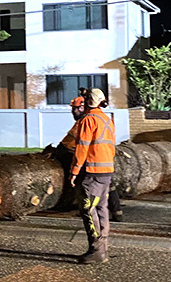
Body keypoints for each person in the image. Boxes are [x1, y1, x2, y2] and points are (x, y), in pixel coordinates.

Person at [51, 96, 124, 222]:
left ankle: (88, 212)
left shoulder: (85, 121)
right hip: (105, 160)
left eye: (74, 109)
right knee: (108, 187)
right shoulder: (105, 119)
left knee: (86, 187)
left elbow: (74, 144)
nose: (73, 112)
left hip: (92, 160)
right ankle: (117, 212)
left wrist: (59, 154)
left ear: (82, 107)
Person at [70, 88, 115, 264]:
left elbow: (82, 148)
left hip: (92, 172)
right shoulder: (106, 119)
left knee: (88, 210)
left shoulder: (88, 120)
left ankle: (96, 251)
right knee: (102, 209)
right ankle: (102, 249)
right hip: (106, 171)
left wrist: (74, 171)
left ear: (88, 101)